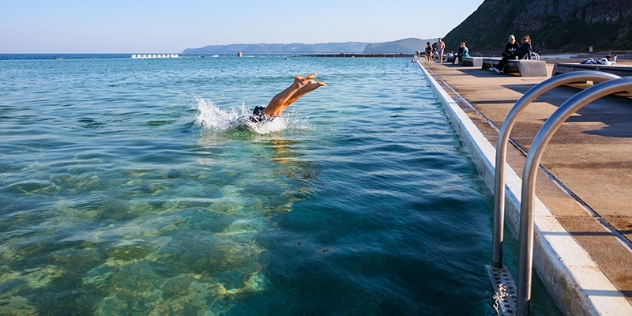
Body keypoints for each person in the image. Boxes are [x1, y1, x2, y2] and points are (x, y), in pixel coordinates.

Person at [249, 74, 326, 123]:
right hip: (258, 122)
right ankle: (307, 87)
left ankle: (297, 85)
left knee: (271, 111)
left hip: (254, 120)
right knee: (281, 107)